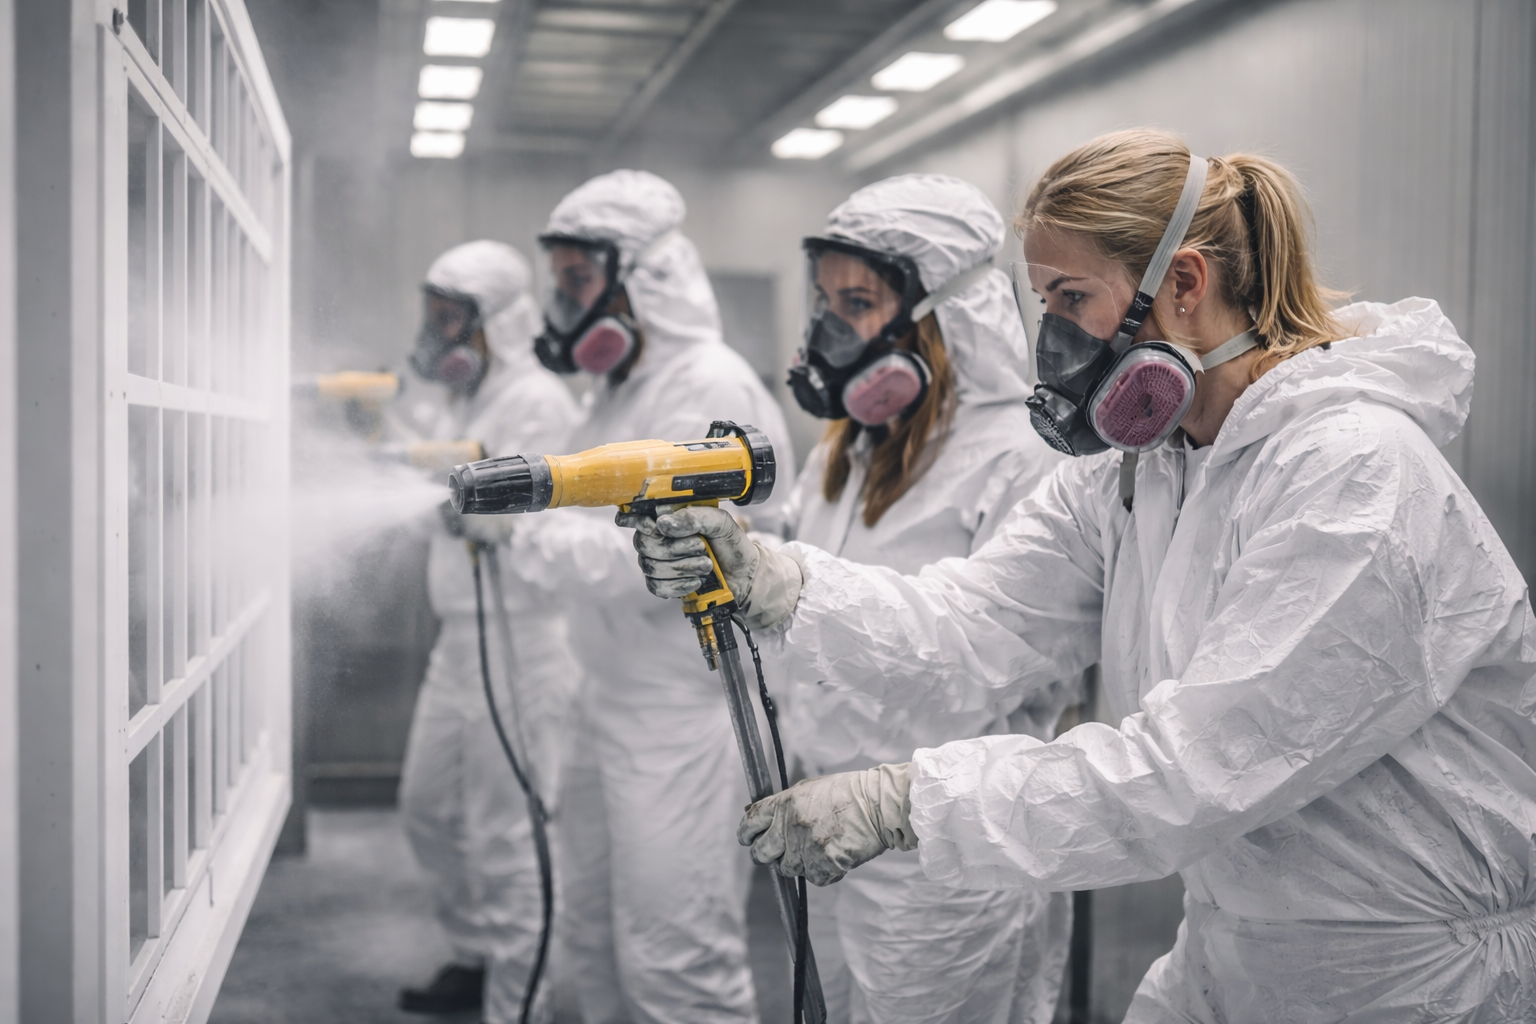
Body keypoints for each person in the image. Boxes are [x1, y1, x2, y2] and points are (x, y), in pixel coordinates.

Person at [630, 130, 1536, 1022]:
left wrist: (908, 799)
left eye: (1073, 298)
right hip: (1238, 945)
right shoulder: (1141, 472)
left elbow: (1195, 766)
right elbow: (974, 622)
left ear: (1184, 284)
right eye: (1044, 305)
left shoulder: (1354, 475)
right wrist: (775, 580)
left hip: (1410, 976)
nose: (1054, 339)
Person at [747, 174, 1072, 1023]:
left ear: (942, 312)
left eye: (856, 303)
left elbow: (989, 657)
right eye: (825, 303)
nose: (828, 331)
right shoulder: (847, 452)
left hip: (944, 853)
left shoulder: (1020, 458)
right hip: (824, 819)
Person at [507, 169, 794, 1024]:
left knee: (675, 952)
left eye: (577, 282)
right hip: (605, 694)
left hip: (677, 711)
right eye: (559, 284)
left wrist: (529, 536)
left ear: (643, 279)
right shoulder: (620, 386)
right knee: (592, 927)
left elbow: (663, 563)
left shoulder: (709, 385)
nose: (564, 307)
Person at [396, 240, 582, 1023]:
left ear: (498, 325)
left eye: (454, 321)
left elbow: (540, 518)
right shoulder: (462, 401)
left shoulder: (537, 401)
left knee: (508, 834)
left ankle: (520, 1005)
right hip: (460, 637)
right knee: (427, 807)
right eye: (434, 318)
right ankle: (475, 956)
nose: (440, 337)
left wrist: (476, 514)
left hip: (524, 642)